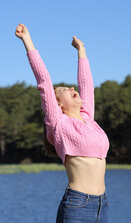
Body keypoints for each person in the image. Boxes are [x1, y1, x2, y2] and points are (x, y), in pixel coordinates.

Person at [15, 23, 110, 222]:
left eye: (71, 87)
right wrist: (27, 40)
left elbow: (87, 85)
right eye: (65, 90)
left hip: (103, 205)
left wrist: (81, 50)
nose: (72, 88)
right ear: (57, 103)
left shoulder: (88, 120)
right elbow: (44, 80)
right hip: (78, 205)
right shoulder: (58, 123)